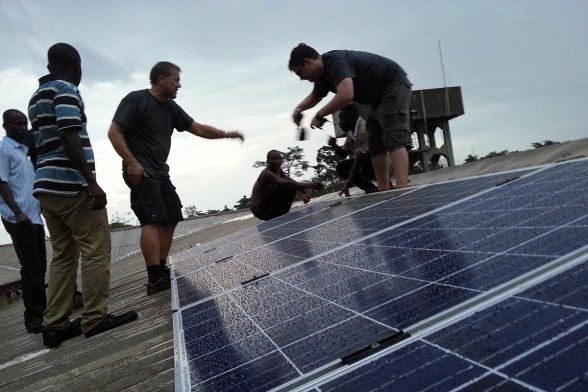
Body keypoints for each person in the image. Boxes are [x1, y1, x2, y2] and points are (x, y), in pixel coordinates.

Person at [28, 43, 137, 348]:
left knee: (63, 255)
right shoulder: (65, 89)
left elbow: (37, 145)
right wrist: (90, 182)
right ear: (75, 65)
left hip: (46, 187)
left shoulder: (36, 97)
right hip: (71, 185)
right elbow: (68, 134)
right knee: (95, 249)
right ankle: (95, 318)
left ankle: (55, 325)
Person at [108, 61, 245, 295]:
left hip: (161, 171)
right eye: (176, 80)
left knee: (171, 217)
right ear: (161, 79)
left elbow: (198, 128)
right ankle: (153, 278)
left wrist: (225, 134)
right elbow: (114, 132)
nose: (179, 85)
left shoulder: (171, 108)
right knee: (151, 220)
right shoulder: (136, 99)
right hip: (141, 170)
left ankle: (161, 269)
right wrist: (131, 162)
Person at [289, 43, 413, 191]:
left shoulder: (336, 61)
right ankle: (383, 189)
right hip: (377, 99)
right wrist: (298, 109)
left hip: (393, 85)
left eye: (300, 73)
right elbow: (315, 97)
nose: (302, 78)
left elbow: (346, 94)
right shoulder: (322, 77)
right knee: (375, 142)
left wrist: (320, 115)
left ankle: (402, 188)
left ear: (308, 62)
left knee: (394, 135)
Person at [0, 109, 47, 334]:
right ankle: (34, 317)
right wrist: (17, 212)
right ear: (5, 126)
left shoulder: (24, 153)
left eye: (24, 124)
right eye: (16, 124)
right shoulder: (4, 149)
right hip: (18, 218)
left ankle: (44, 310)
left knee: (40, 266)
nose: (21, 128)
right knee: (31, 268)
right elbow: (2, 183)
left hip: (33, 217)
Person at [250, 150, 324, 220]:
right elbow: (288, 183)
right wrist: (311, 185)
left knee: (291, 186)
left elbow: (291, 181)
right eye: (274, 159)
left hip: (267, 206)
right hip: (260, 211)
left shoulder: (279, 170)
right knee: (286, 186)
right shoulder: (266, 174)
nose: (278, 160)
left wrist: (304, 192)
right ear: (268, 162)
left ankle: (282, 212)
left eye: (280, 158)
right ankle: (274, 215)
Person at [328, 104, 378, 196]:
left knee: (362, 158)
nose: (340, 123)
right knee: (341, 167)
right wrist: (334, 145)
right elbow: (344, 154)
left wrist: (347, 184)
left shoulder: (363, 130)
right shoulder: (350, 131)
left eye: (342, 119)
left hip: (378, 163)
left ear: (352, 119)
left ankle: (386, 181)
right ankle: (370, 188)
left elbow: (359, 159)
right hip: (363, 162)